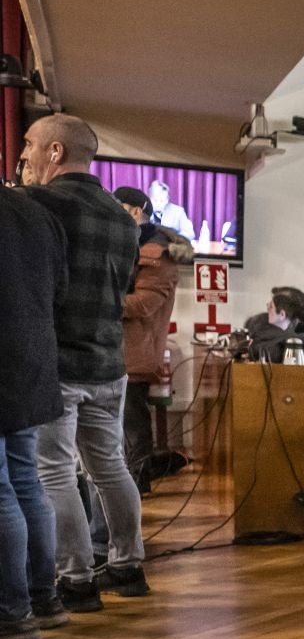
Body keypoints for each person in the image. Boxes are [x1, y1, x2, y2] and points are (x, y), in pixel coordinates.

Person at [20, 115, 145, 611]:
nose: (23, 155)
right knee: (109, 466)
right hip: (109, 362)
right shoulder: (122, 217)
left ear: (55, 152)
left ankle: (75, 580)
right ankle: (128, 566)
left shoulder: (37, 204)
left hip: (58, 363)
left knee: (53, 471)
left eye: (29, 145)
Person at [0, 187, 68, 639]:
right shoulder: (38, 212)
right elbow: (59, 291)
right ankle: (45, 599)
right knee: (26, 479)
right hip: (32, 359)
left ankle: (12, 612)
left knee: (4, 488)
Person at [118, 189, 190, 495]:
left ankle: (138, 482)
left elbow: (144, 304)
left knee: (132, 422)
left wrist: (99, 302)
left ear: (136, 212)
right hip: (122, 348)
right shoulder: (134, 246)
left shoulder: (156, 252)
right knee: (123, 424)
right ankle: (132, 482)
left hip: (135, 349)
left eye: (118, 208)